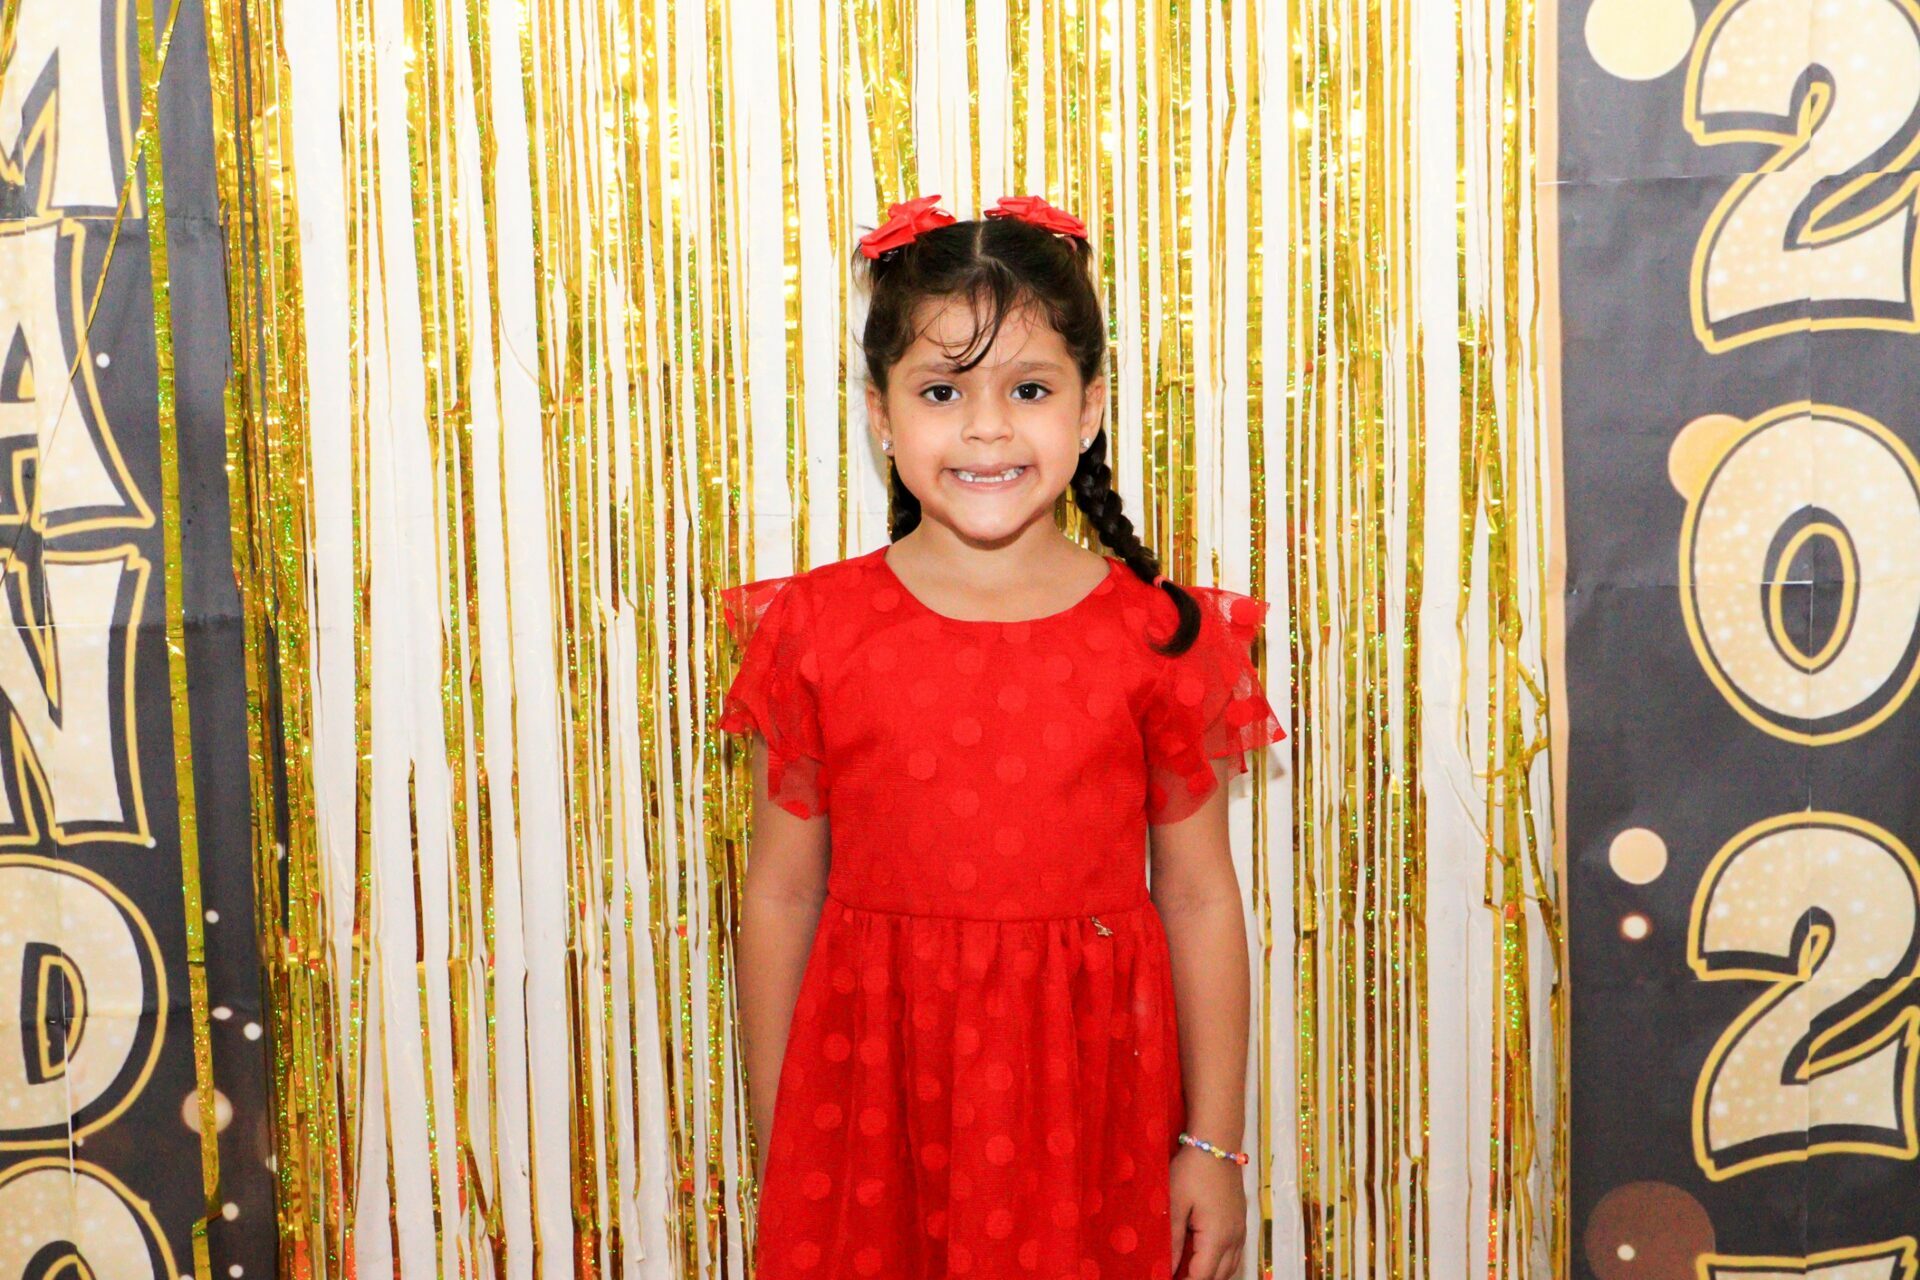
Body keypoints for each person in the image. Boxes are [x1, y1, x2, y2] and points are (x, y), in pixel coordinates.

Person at [715, 192, 1285, 1280]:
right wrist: (784, 1134)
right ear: (880, 413)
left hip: (1093, 1112)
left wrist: (1214, 1147)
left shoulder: (1162, 637)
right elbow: (782, 894)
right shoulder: (814, 630)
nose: (986, 428)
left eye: (1029, 389)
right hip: (871, 1112)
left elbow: (1202, 897)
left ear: (1090, 406)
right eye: (942, 391)